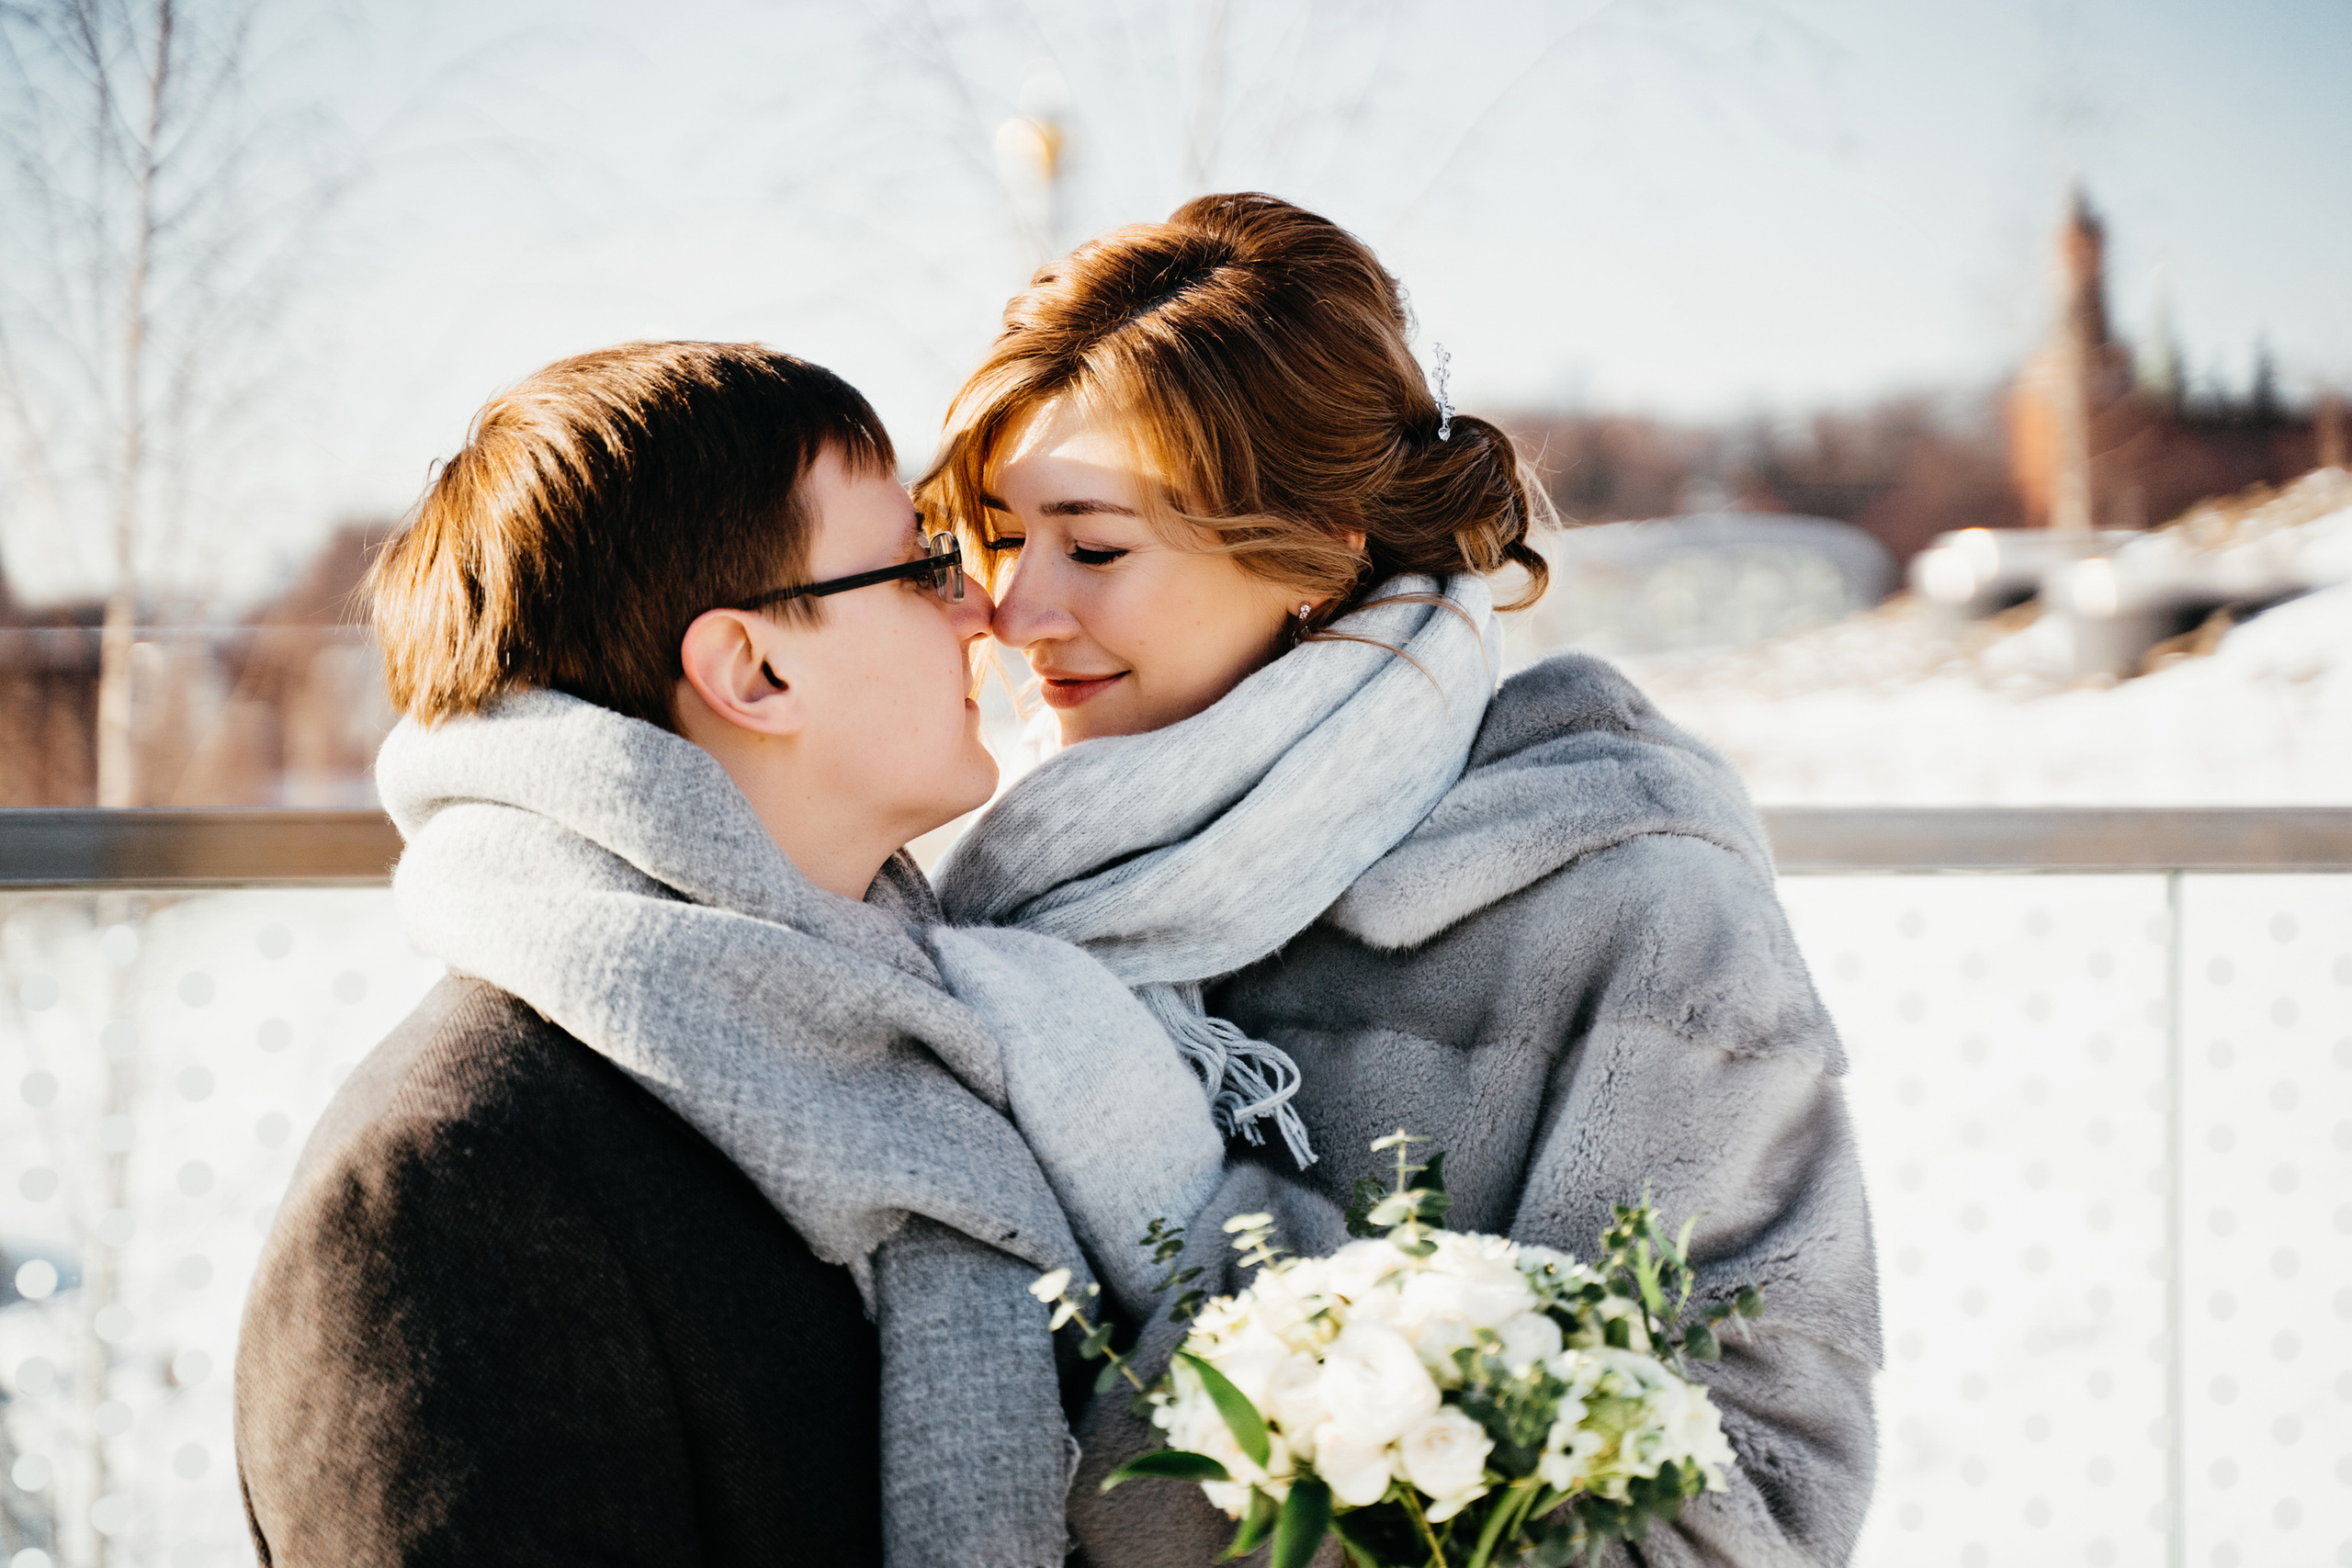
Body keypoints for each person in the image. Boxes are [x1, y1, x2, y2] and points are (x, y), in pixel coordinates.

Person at [923, 194, 1882, 1566]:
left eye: (1095, 543)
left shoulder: (1626, 907)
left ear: (1307, 551)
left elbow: (1746, 1510)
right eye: (1002, 538)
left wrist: (1228, 1305)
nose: (1016, 615)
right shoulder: (1004, 900)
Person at [233, 342, 1225, 1567]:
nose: (985, 607)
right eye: (921, 565)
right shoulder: (450, 1186)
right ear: (753, 670)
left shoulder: (936, 1045)